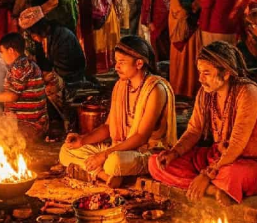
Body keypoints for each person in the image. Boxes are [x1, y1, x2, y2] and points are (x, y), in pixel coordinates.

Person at [149, 41, 257, 204]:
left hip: (253, 164)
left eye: (206, 73)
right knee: (156, 163)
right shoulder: (205, 93)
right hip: (217, 158)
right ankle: (212, 189)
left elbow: (237, 144)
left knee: (231, 175)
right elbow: (193, 131)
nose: (200, 79)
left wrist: (206, 174)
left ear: (225, 74)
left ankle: (210, 184)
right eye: (199, 72)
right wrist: (174, 153)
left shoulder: (248, 93)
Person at [59, 37, 176, 186]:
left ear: (139, 63)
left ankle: (108, 172)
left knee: (113, 162)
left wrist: (104, 155)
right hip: (119, 147)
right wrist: (83, 140)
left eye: (122, 62)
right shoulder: (121, 86)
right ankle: (105, 175)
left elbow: (141, 137)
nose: (116, 67)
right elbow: (108, 127)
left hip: (147, 152)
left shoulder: (155, 89)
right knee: (66, 151)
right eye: (116, 62)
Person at [0, 33, 49, 141]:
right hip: (27, 124)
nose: (1, 55)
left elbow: (12, 96)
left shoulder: (19, 67)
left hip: (29, 126)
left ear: (11, 51)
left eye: (2, 52)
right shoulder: (27, 63)